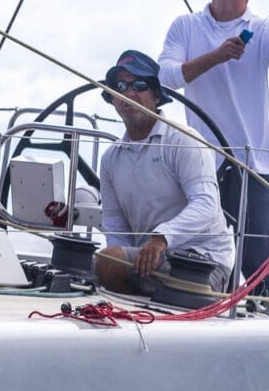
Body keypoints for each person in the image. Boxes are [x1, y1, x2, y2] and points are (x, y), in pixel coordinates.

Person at [158, 0, 269, 295]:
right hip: (197, 166)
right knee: (193, 260)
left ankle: (262, 310)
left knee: (259, 270)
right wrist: (216, 56)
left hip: (250, 164)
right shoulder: (186, 26)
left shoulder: (262, 29)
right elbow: (165, 77)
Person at [93, 50, 235, 295]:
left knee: (107, 262)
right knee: (98, 264)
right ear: (113, 98)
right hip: (149, 262)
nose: (129, 93)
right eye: (120, 87)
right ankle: (135, 308)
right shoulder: (110, 160)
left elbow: (206, 204)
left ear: (156, 95)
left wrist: (162, 238)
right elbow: (115, 224)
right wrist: (116, 263)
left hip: (204, 261)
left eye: (139, 85)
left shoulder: (184, 140)